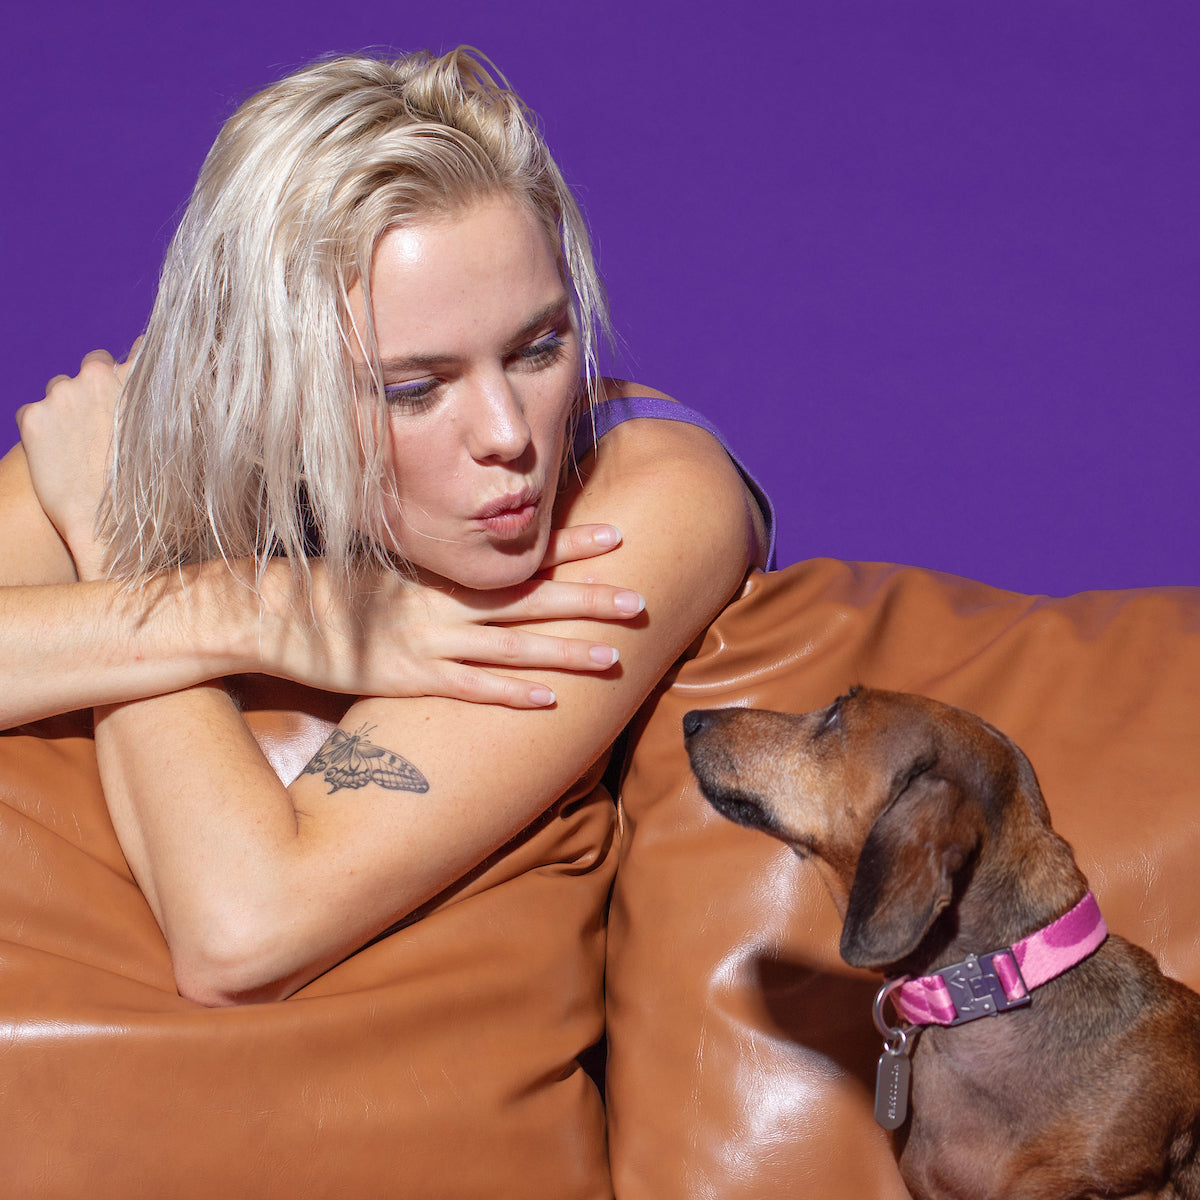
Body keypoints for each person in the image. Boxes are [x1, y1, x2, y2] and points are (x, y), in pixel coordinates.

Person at [3, 48, 770, 1006]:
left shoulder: (648, 491)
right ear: (264, 391)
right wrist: (250, 609)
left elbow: (244, 932)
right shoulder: (140, 451)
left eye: (539, 347)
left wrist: (115, 553)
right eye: (414, 389)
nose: (508, 435)